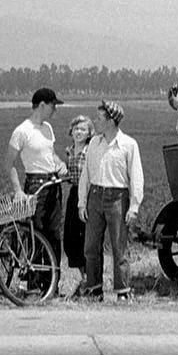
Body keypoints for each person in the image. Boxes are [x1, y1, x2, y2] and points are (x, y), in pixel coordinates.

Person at [78, 100, 144, 301]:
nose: (95, 122)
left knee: (119, 246)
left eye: (99, 118)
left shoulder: (128, 145)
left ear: (111, 121)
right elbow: (85, 175)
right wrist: (82, 202)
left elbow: (136, 177)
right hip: (95, 197)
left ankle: (122, 291)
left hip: (118, 198)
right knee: (90, 246)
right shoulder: (94, 144)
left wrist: (133, 206)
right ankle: (94, 289)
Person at [4, 88, 68, 287]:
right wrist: (18, 190)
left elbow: (51, 154)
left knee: (54, 234)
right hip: (35, 184)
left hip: (53, 183)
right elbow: (9, 163)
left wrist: (60, 164)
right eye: (53, 105)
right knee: (36, 233)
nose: (55, 109)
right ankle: (34, 281)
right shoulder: (22, 131)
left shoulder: (48, 128)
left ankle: (52, 283)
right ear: (42, 105)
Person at [63, 115, 94, 292]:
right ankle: (83, 276)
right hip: (74, 193)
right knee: (70, 237)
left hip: (88, 195)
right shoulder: (69, 151)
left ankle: (90, 280)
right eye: (76, 129)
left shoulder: (91, 150)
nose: (79, 132)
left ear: (89, 132)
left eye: (83, 129)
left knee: (85, 238)